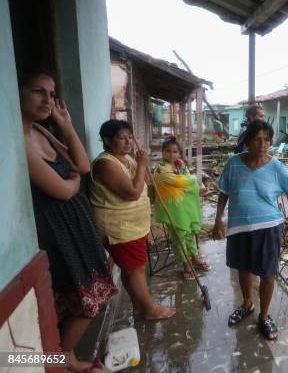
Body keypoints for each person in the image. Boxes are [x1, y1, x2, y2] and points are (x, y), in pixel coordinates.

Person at [19, 71, 116, 373]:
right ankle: (64, 361)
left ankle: (67, 356)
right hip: (58, 233)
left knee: (87, 294)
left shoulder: (42, 131)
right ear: (16, 92)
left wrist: (65, 124)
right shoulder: (19, 141)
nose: (48, 99)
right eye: (38, 91)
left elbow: (82, 165)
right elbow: (63, 189)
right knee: (86, 298)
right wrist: (73, 181)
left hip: (77, 226)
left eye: (51, 93)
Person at [213, 120, 288, 340]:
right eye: (257, 139)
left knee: (268, 273)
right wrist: (218, 220)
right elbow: (223, 192)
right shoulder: (233, 163)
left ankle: (264, 316)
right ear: (248, 141)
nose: (263, 144)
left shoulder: (276, 166)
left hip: (268, 227)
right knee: (243, 268)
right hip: (239, 226)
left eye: (267, 140)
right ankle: (247, 304)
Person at [89, 120, 175, 320]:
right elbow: (133, 193)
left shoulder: (126, 159)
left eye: (130, 137)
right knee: (136, 270)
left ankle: (139, 306)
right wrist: (143, 164)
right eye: (122, 137)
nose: (128, 141)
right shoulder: (105, 164)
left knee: (130, 269)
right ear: (107, 140)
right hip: (120, 228)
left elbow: (144, 181)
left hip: (133, 226)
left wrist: (142, 164)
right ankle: (150, 310)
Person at [153, 137, 211, 280]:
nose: (172, 155)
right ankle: (185, 264)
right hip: (173, 209)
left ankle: (195, 258)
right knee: (179, 237)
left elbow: (185, 183)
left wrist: (193, 184)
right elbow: (180, 181)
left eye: (175, 152)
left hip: (186, 208)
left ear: (179, 153)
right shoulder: (161, 169)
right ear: (162, 152)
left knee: (190, 233)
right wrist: (192, 180)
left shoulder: (181, 165)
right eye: (168, 151)